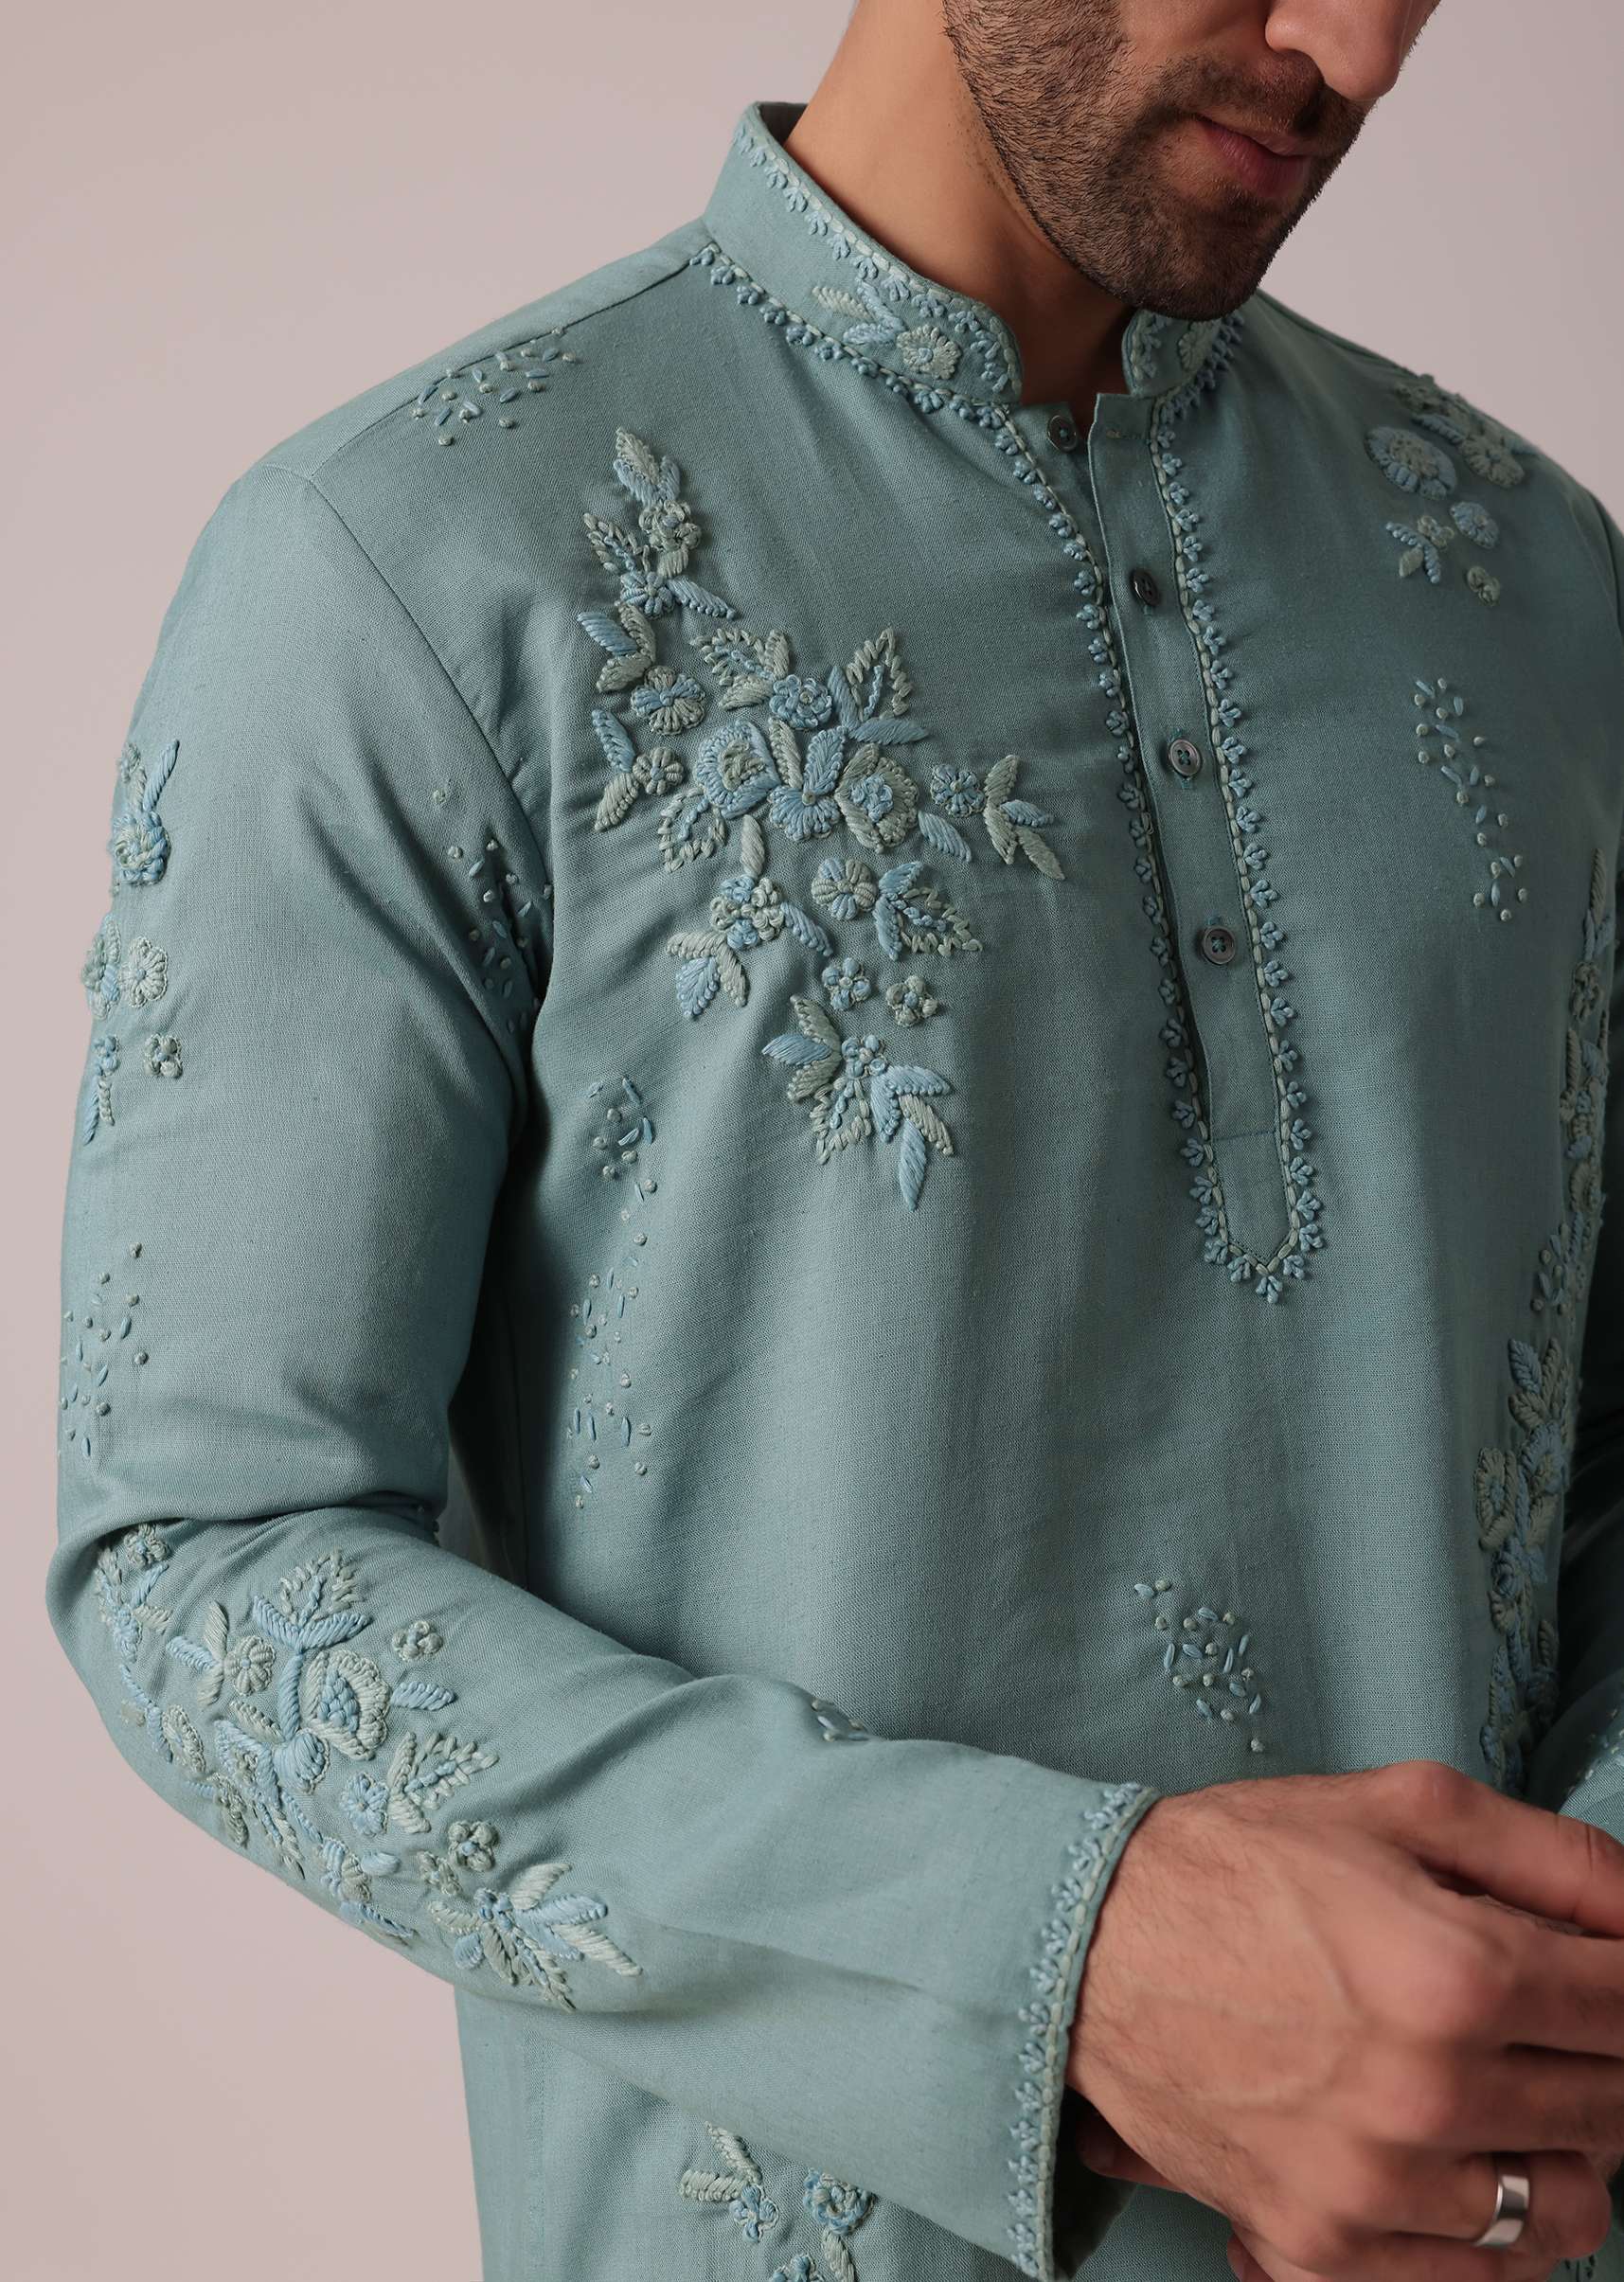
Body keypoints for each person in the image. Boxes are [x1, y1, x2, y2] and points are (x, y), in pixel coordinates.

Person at [45, 1, 1624, 2277]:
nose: (1355, 50)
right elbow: (206, 1563)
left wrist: (1555, 2002)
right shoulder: (409, 566)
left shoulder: (1530, 581)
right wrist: (1061, 1962)